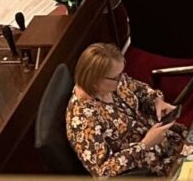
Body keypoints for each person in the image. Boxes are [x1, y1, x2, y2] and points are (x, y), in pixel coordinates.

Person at [65, 42, 183, 177]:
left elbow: (138, 88)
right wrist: (144, 145)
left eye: (121, 73)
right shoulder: (82, 120)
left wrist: (156, 101)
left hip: (166, 138)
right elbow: (103, 172)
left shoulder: (113, 80)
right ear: (95, 80)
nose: (122, 79)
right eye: (116, 77)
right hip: (150, 166)